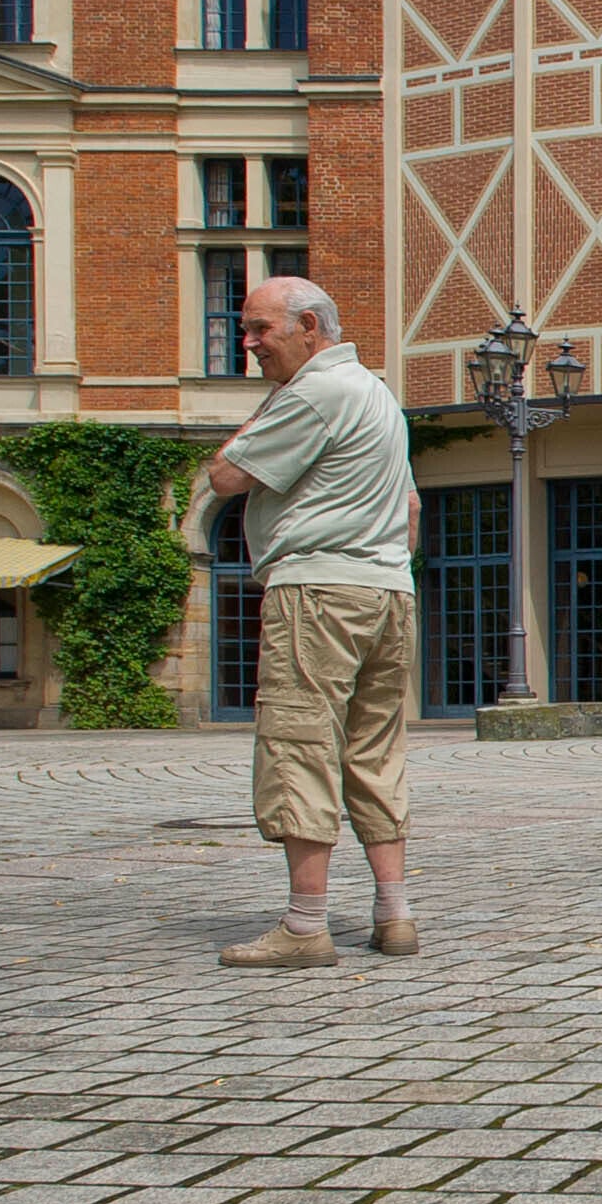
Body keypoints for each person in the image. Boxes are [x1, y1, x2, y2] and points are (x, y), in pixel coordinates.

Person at [204, 276, 423, 966]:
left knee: (300, 743)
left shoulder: (314, 393)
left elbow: (226, 475)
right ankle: (394, 914)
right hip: (387, 591)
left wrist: (273, 400)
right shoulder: (378, 395)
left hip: (319, 591)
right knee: (374, 752)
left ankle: (304, 927)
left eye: (260, 330)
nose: (249, 345)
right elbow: (412, 511)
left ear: (307, 325)